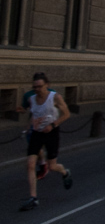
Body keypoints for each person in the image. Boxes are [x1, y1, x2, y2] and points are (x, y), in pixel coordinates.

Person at [20, 73, 73, 210]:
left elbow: (67, 114)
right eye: (35, 87)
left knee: (52, 166)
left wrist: (53, 125)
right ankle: (33, 198)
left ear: (47, 85)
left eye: (40, 86)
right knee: (30, 164)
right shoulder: (32, 99)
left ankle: (65, 172)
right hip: (37, 134)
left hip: (52, 133)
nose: (37, 89)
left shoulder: (55, 97)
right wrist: (29, 127)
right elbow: (33, 114)